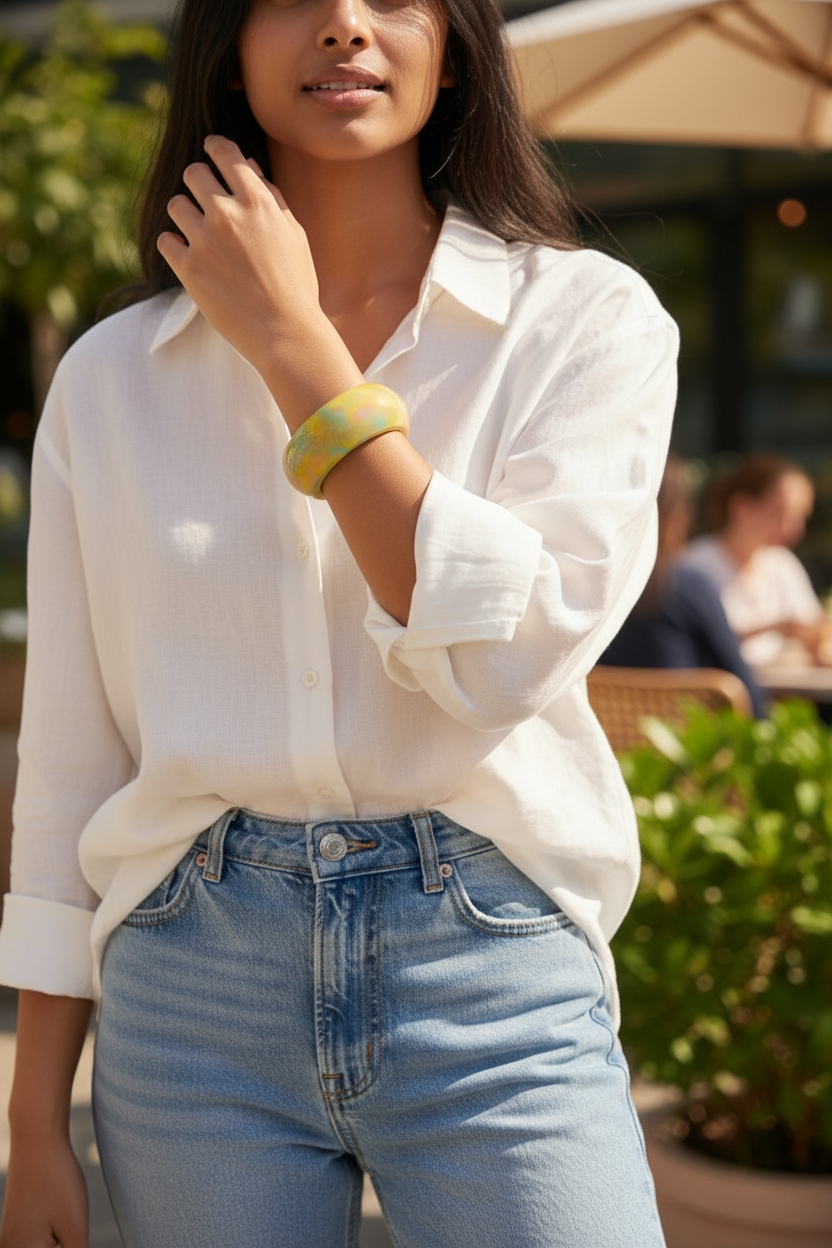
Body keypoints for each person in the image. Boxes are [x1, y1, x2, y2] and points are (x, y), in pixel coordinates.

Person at [0, 2, 678, 1246]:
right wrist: (32, 1125)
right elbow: (71, 761)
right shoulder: (110, 377)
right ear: (228, 43)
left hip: (490, 967)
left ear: (457, 41)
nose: (346, 26)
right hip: (188, 979)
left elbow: (496, 654)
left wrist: (294, 347)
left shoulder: (584, 322)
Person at [602, 454, 766, 716]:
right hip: (687, 749)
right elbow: (750, 698)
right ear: (675, 513)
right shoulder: (689, 586)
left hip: (607, 745)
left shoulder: (590, 588)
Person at [680, 453, 831, 668]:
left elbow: (814, 628)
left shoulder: (782, 563)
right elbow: (693, 643)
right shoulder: (693, 567)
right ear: (741, 506)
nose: (794, 527)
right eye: (781, 513)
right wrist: (778, 628)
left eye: (801, 517)